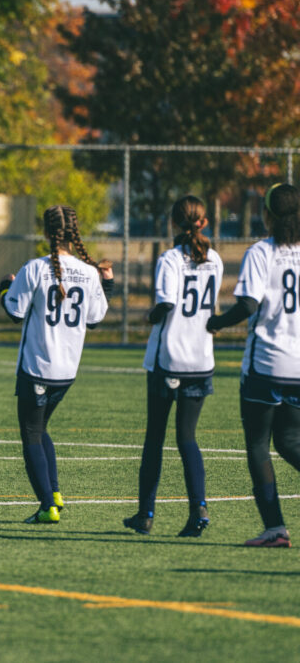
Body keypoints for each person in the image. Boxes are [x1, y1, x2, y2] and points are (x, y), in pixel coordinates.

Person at [0, 205, 113, 524]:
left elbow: (14, 312)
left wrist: (4, 287)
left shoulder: (35, 268)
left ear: (46, 232)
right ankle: (55, 494)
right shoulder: (88, 271)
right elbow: (95, 319)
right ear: (75, 232)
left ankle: (47, 505)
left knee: (31, 434)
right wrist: (109, 286)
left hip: (38, 367)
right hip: (67, 371)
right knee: (40, 428)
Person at [208, 183, 300, 547]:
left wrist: (216, 322)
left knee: (259, 444)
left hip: (267, 364)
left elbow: (248, 304)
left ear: (267, 214)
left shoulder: (262, 251)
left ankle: (275, 528)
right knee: (290, 440)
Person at [124, 196, 222, 537]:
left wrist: (149, 316)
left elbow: (165, 304)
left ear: (173, 223)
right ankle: (199, 508)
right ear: (204, 222)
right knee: (187, 438)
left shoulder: (170, 259)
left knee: (155, 437)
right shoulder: (215, 259)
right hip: (201, 358)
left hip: (170, 359)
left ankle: (146, 514)